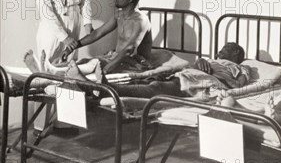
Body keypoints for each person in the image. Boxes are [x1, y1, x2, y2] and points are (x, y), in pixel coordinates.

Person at [66, 42, 250, 100]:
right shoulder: (210, 59)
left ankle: (101, 87)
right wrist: (201, 60)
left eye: (227, 47)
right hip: (186, 75)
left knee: (155, 88)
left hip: (200, 83)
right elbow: (196, 64)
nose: (221, 50)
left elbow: (238, 86)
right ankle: (93, 86)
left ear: (236, 53)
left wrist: (214, 76)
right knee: (148, 81)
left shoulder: (241, 68)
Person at [63, 0, 152, 75]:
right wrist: (73, 47)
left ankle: (56, 71)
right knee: (85, 61)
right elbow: (98, 33)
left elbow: (129, 49)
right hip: (119, 57)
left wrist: (107, 68)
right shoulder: (119, 15)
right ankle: (57, 71)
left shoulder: (141, 21)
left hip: (136, 62)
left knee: (96, 63)